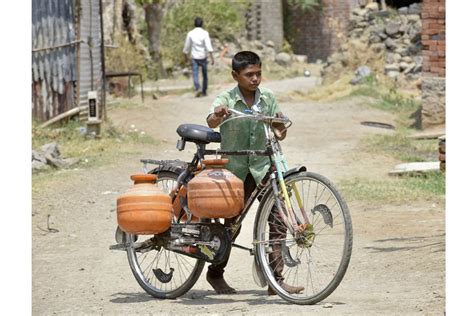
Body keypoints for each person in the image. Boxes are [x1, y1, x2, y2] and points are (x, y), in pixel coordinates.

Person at [206, 51, 304, 295]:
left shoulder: (267, 97)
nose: (255, 79)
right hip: (236, 168)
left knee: (279, 218)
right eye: (249, 75)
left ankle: (275, 280)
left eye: (258, 73)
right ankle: (215, 273)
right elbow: (211, 121)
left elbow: (280, 132)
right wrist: (218, 114)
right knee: (232, 224)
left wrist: (279, 123)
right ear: (235, 75)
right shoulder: (227, 98)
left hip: (263, 166)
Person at [183, 17, 214, 97]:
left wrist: (186, 57)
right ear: (202, 24)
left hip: (195, 57)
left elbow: (187, 47)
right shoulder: (205, 33)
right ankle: (204, 91)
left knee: (195, 74)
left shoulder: (190, 33)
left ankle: (197, 88)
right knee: (205, 75)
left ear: (194, 24)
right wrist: (212, 58)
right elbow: (208, 46)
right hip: (203, 56)